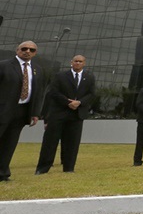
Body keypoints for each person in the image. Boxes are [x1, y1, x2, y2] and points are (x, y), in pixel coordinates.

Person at [36, 55, 96, 174]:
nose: (78, 63)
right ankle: (42, 168)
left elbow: (92, 94)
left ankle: (69, 168)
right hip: (59, 113)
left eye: (80, 61)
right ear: (71, 62)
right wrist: (68, 102)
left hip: (77, 114)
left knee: (72, 142)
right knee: (50, 141)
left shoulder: (89, 77)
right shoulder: (60, 76)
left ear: (84, 63)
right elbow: (53, 92)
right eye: (76, 61)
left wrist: (79, 102)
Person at [0, 41, 44, 182]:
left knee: (10, 143)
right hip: (3, 110)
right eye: (24, 49)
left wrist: (35, 113)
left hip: (21, 111)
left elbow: (38, 93)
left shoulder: (37, 69)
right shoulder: (4, 65)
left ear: (35, 53)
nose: (27, 51)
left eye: (32, 50)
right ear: (17, 50)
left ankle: (3, 173)